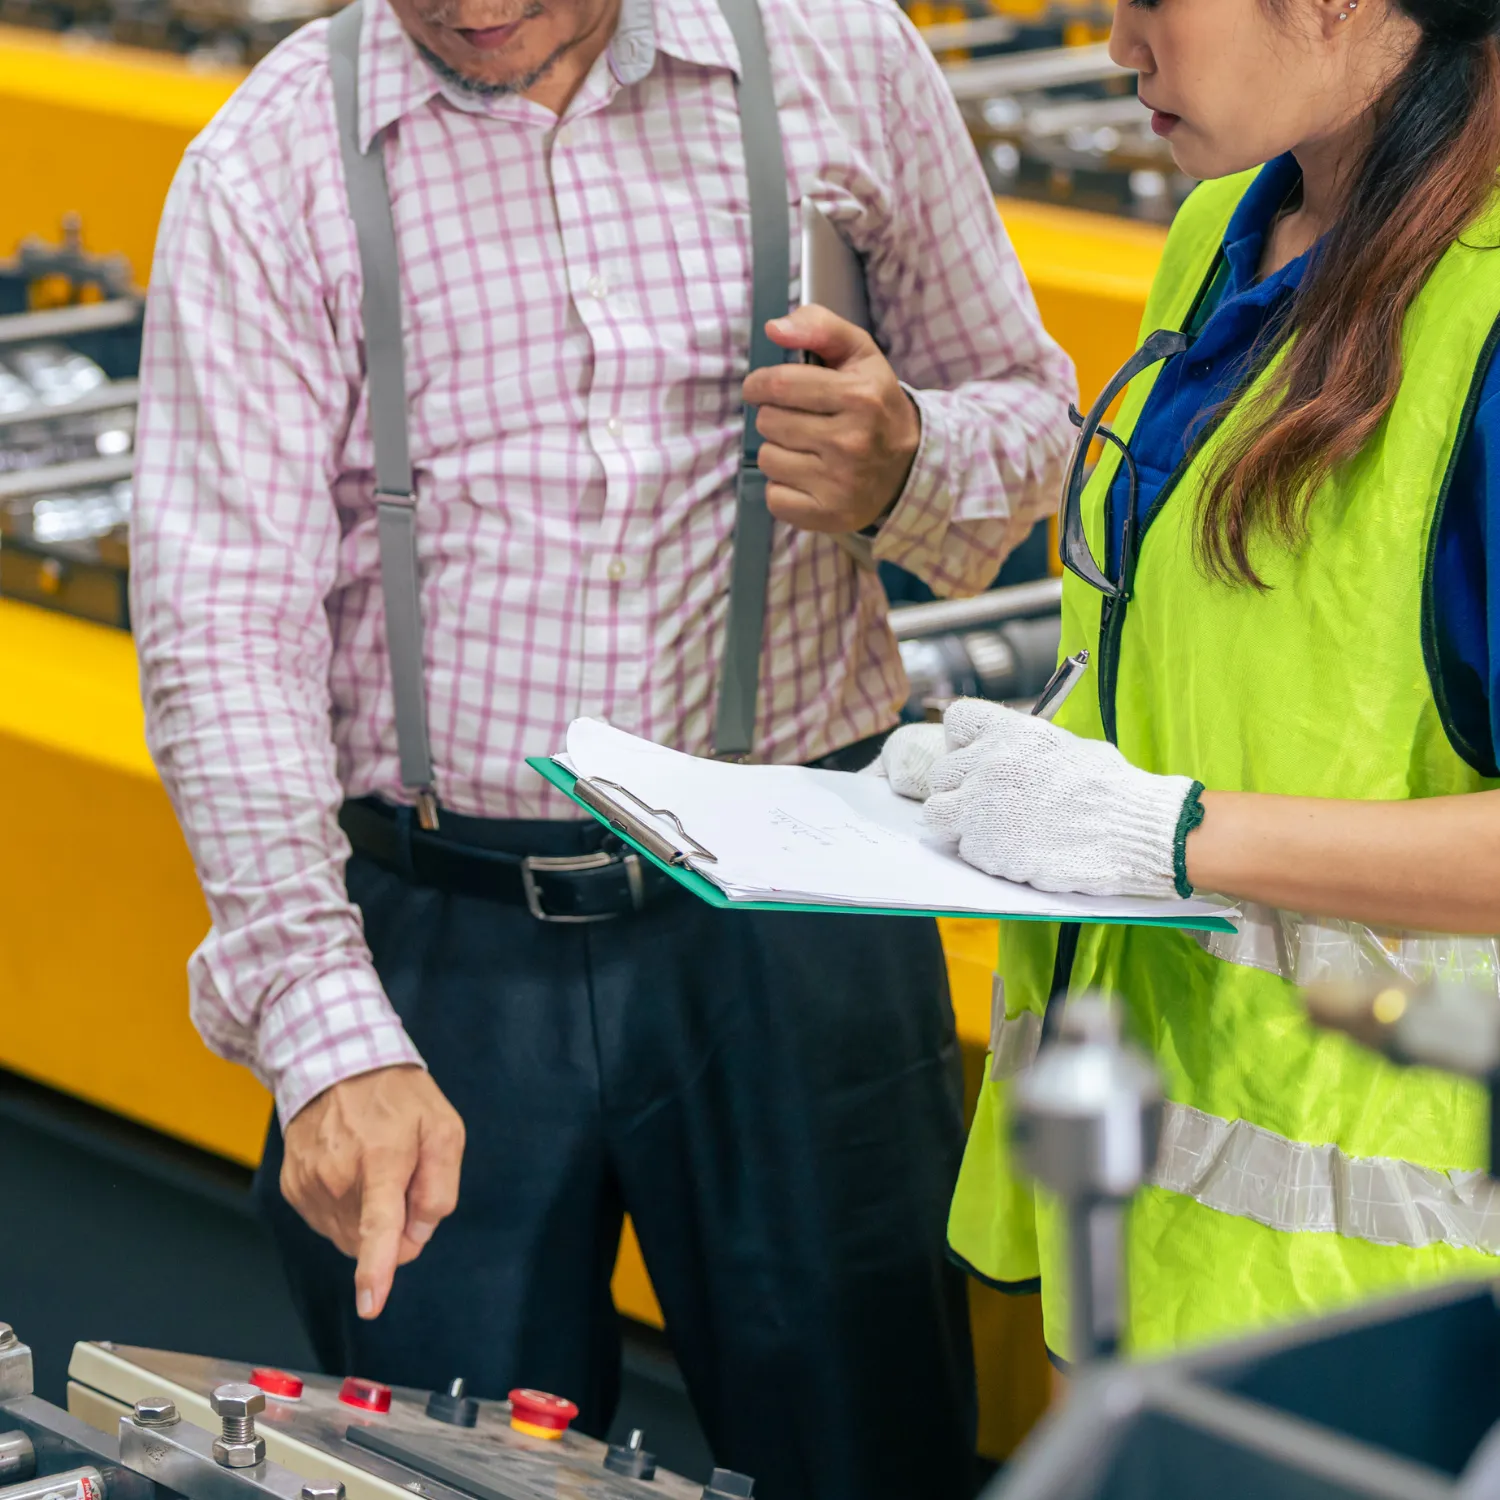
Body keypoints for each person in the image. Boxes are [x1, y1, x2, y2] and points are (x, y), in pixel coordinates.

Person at [129, 0, 1075, 1492]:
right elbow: (220, 622)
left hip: (798, 922)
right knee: (440, 1465)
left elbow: (1028, 419)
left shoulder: (840, 54)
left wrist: (906, 465)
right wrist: (319, 1022)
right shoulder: (273, 161)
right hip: (440, 949)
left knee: (868, 1444)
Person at [884, 0, 1500, 1365]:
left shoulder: (1487, 320)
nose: (1115, 42)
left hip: (1380, 1314)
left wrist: (1165, 831)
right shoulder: (1222, 236)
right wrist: (1024, 764)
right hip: (1143, 1237)